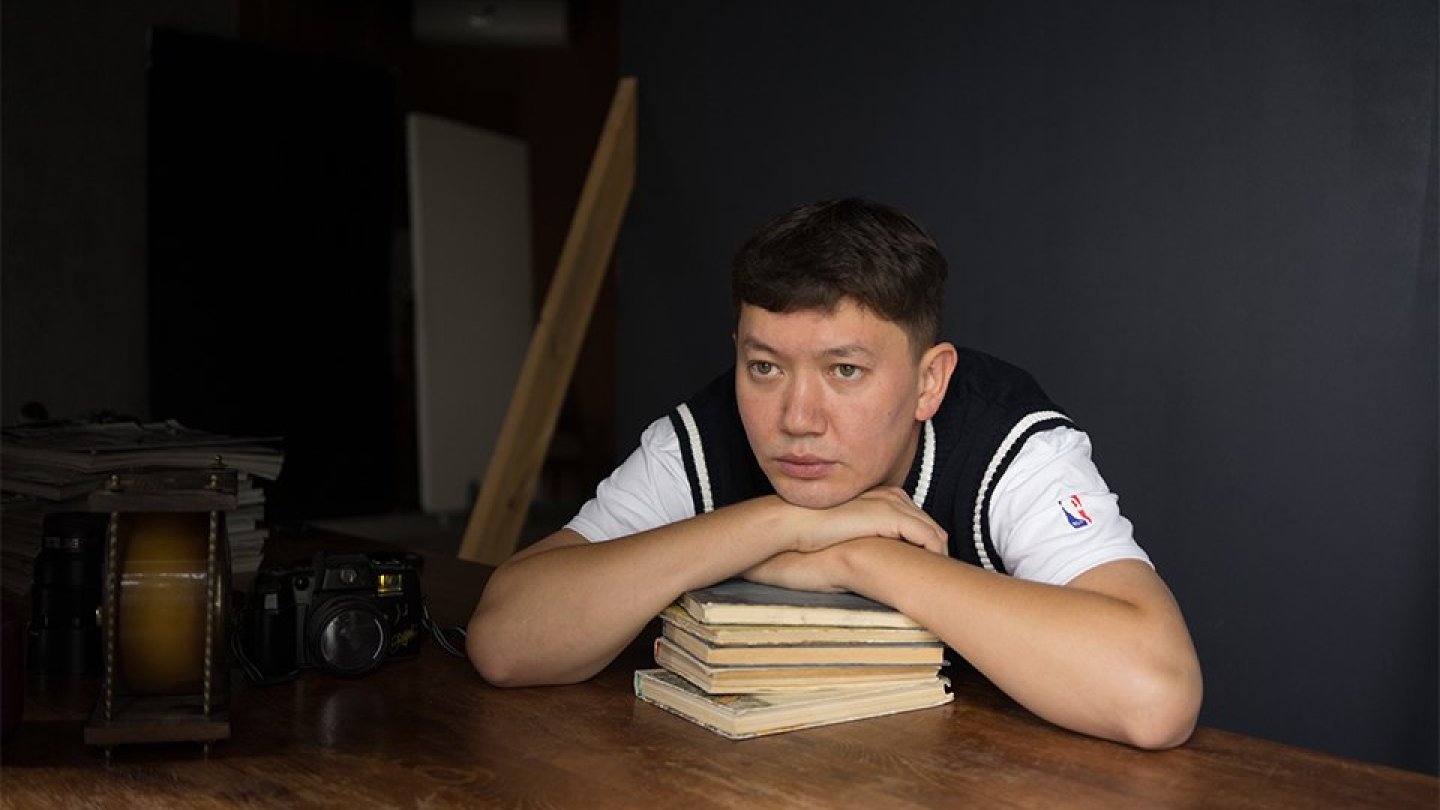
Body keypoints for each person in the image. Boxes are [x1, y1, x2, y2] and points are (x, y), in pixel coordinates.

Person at [467, 198, 1203, 749]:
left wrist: (860, 558)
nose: (796, 418)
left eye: (844, 370)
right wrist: (777, 525)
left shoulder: (1009, 442)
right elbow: (505, 641)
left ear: (929, 382)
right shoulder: (706, 434)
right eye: (764, 366)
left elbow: (1154, 695)